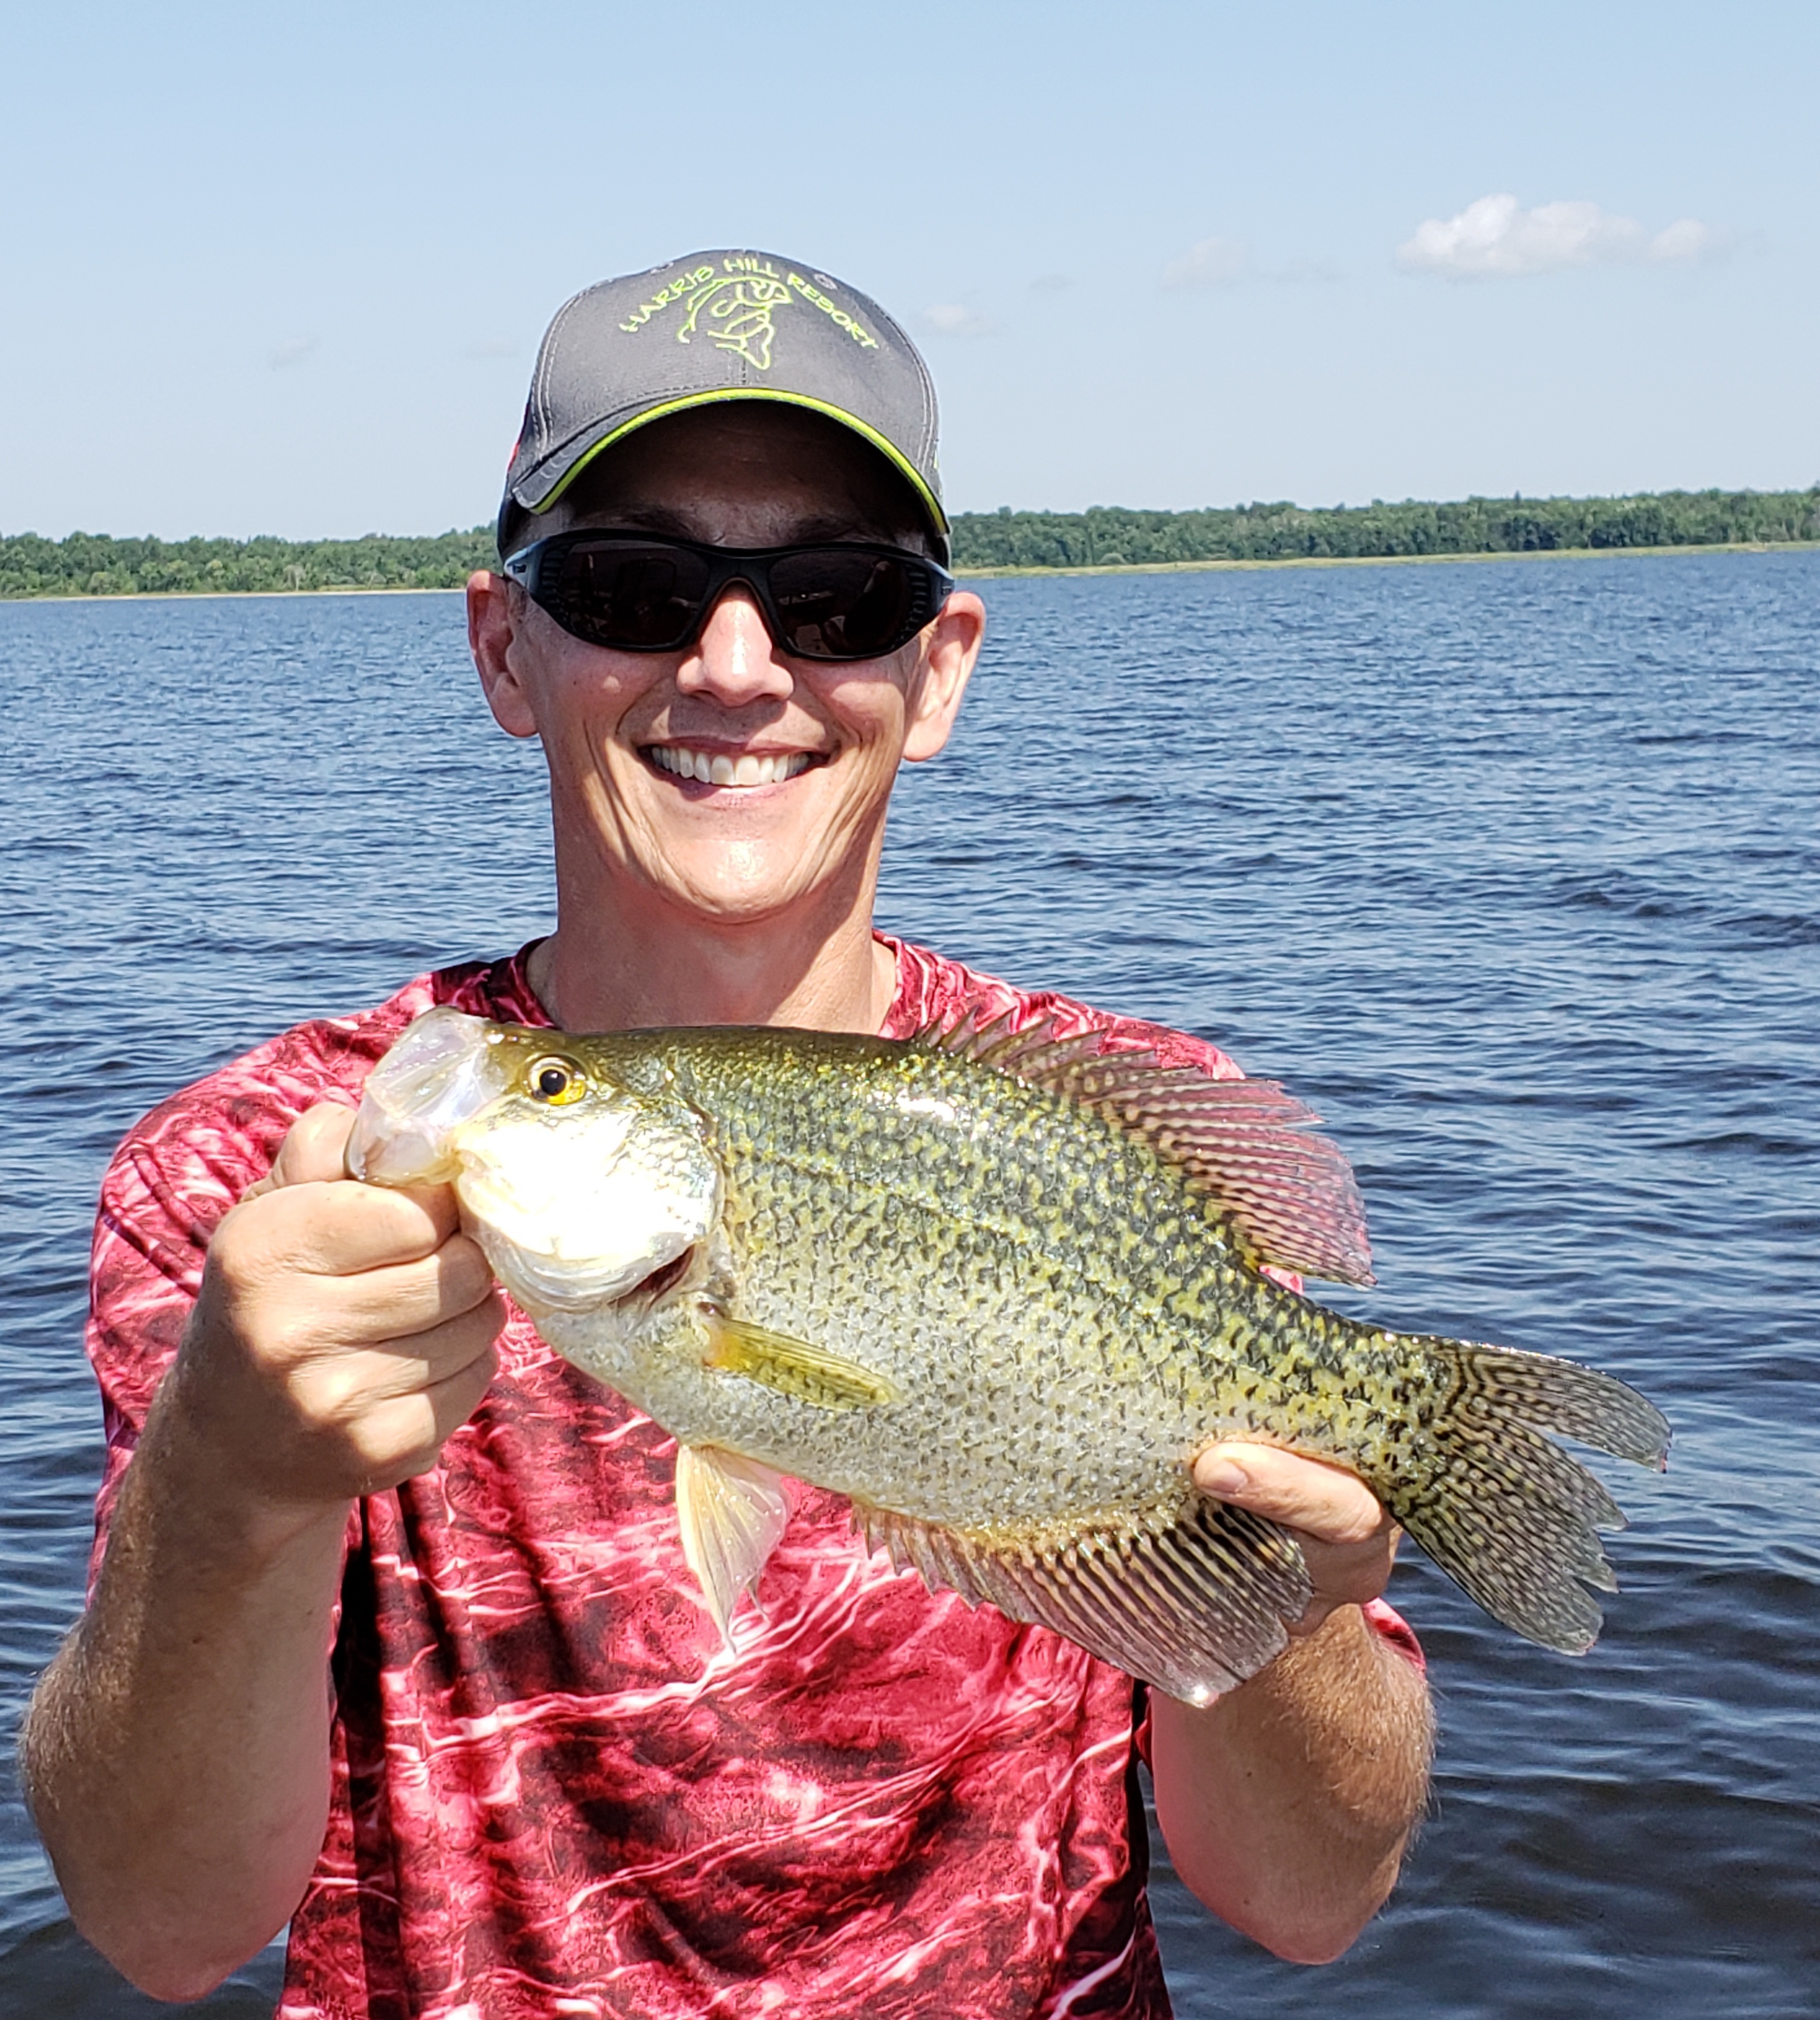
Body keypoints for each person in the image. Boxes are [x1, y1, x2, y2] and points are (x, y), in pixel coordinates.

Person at [22, 250, 1433, 2019]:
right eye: (631, 583)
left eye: (840, 595)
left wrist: (1283, 1603)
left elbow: (1308, 1902)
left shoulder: (1113, 1122)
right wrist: (225, 1485)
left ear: (936, 672)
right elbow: (160, 1929)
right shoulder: (257, 1174)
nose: (737, 664)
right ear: (500, 646)